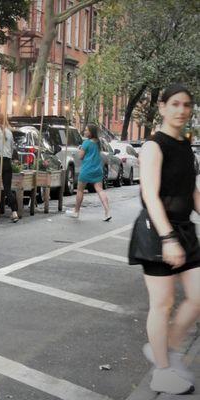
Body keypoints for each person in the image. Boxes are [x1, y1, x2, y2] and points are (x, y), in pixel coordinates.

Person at [129, 84, 199, 395]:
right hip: (158, 231)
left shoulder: (185, 143)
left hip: (185, 229)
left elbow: (191, 191)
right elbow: (150, 196)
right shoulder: (153, 147)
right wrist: (168, 238)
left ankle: (165, 348)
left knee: (198, 297)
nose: (182, 110)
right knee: (163, 304)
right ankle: (162, 370)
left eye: (187, 105)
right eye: (175, 104)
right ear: (162, 107)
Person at [66, 123, 111, 221]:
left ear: (91, 132)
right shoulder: (98, 142)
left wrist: (80, 150)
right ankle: (107, 211)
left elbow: (81, 156)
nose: (85, 131)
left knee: (80, 190)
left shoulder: (86, 143)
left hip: (87, 169)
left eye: (86, 130)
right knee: (100, 190)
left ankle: (76, 212)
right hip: (97, 169)